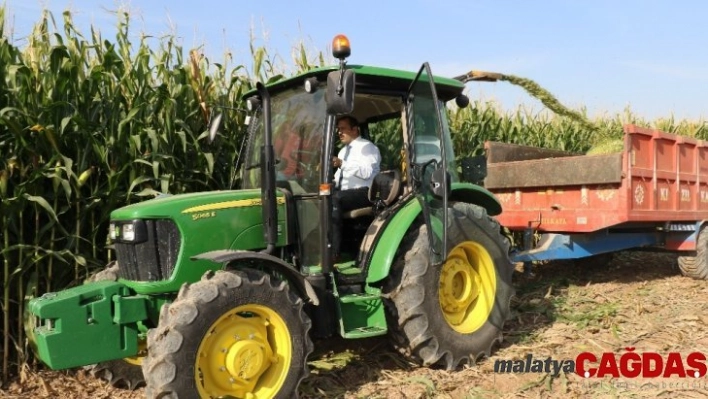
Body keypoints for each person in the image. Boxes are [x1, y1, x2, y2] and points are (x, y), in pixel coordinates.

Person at [331, 115, 381, 260]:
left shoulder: (368, 148)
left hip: (365, 193)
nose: (339, 132)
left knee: (336, 199)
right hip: (345, 193)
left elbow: (367, 173)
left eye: (343, 129)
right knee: (322, 196)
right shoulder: (343, 151)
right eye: (338, 129)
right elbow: (338, 177)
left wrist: (342, 164)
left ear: (354, 129)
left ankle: (334, 253)